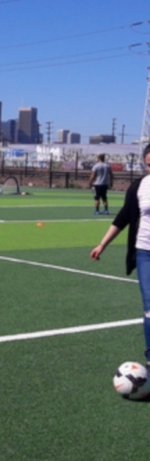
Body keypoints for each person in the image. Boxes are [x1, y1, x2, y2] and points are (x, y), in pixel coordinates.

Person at [90, 144, 150, 368]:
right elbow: (123, 217)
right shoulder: (139, 188)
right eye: (149, 165)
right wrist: (102, 244)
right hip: (145, 252)